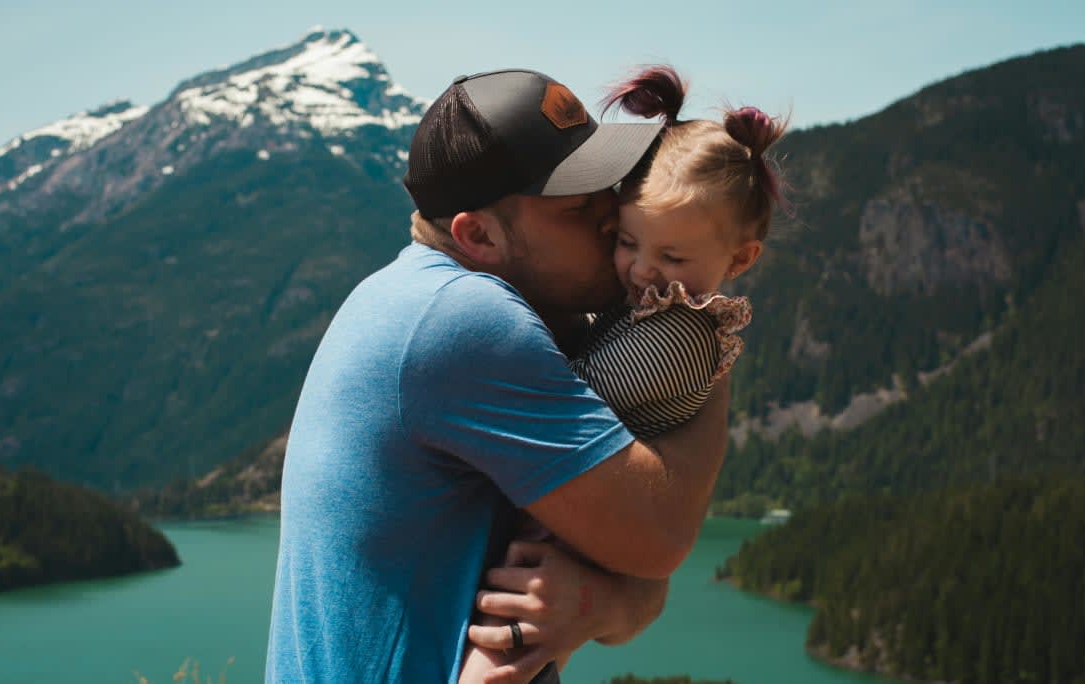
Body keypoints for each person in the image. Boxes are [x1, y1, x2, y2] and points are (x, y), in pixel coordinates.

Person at [265, 68, 733, 683]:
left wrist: (598, 603)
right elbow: (659, 535)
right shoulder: (464, 323)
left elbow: (634, 575)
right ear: (477, 234)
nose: (611, 216)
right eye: (576, 206)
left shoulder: (406, 294)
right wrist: (706, 329)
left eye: (606, 186)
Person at [457, 65, 789, 683]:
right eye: (627, 241)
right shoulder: (653, 307)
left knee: (495, 666)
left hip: (568, 538)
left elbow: (571, 391)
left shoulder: (678, 335)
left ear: (740, 259)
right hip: (573, 521)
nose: (639, 269)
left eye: (673, 256)